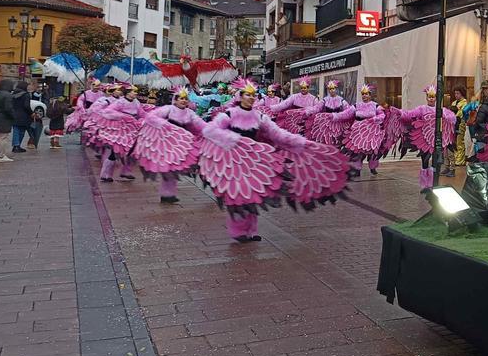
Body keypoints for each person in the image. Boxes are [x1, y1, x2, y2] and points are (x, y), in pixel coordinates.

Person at [200, 83, 349, 241]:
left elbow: (278, 134)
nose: (251, 98)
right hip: (232, 162)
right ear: (240, 96)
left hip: (253, 160)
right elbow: (209, 130)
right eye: (247, 94)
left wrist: (301, 143)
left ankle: (250, 231)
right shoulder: (229, 114)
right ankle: (239, 231)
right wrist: (233, 139)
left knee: (254, 194)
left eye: (253, 95)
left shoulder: (259, 116)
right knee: (238, 195)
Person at [134, 88, 206, 204]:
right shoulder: (169, 109)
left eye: (185, 99)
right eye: (181, 98)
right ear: (175, 100)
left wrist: (213, 131)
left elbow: (200, 125)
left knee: (175, 169)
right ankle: (167, 194)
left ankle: (168, 194)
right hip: (167, 143)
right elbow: (151, 117)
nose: (183, 101)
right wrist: (164, 125)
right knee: (169, 169)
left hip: (183, 143)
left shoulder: (190, 113)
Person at [400, 85, 456, 191]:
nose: (431, 98)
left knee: (436, 161)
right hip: (424, 140)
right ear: (426, 97)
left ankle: (433, 183)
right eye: (429, 96)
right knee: (424, 161)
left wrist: (448, 117)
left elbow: (452, 117)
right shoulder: (422, 109)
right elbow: (410, 114)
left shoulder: (441, 110)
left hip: (437, 139)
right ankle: (425, 185)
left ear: (436, 98)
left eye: (433, 96)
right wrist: (401, 113)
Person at [441, 87, 469, 177]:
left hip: (459, 125)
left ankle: (459, 161)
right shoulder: (454, 102)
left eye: (458, 93)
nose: (456, 95)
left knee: (458, 143)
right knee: (447, 149)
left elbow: (461, 114)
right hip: (449, 127)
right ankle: (448, 166)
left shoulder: (464, 103)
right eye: (455, 93)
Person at [10, 80, 33, 153]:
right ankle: (18, 146)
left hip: (14, 114)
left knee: (16, 130)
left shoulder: (13, 94)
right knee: (22, 131)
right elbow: (26, 106)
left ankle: (15, 146)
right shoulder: (26, 95)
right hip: (23, 115)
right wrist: (31, 113)